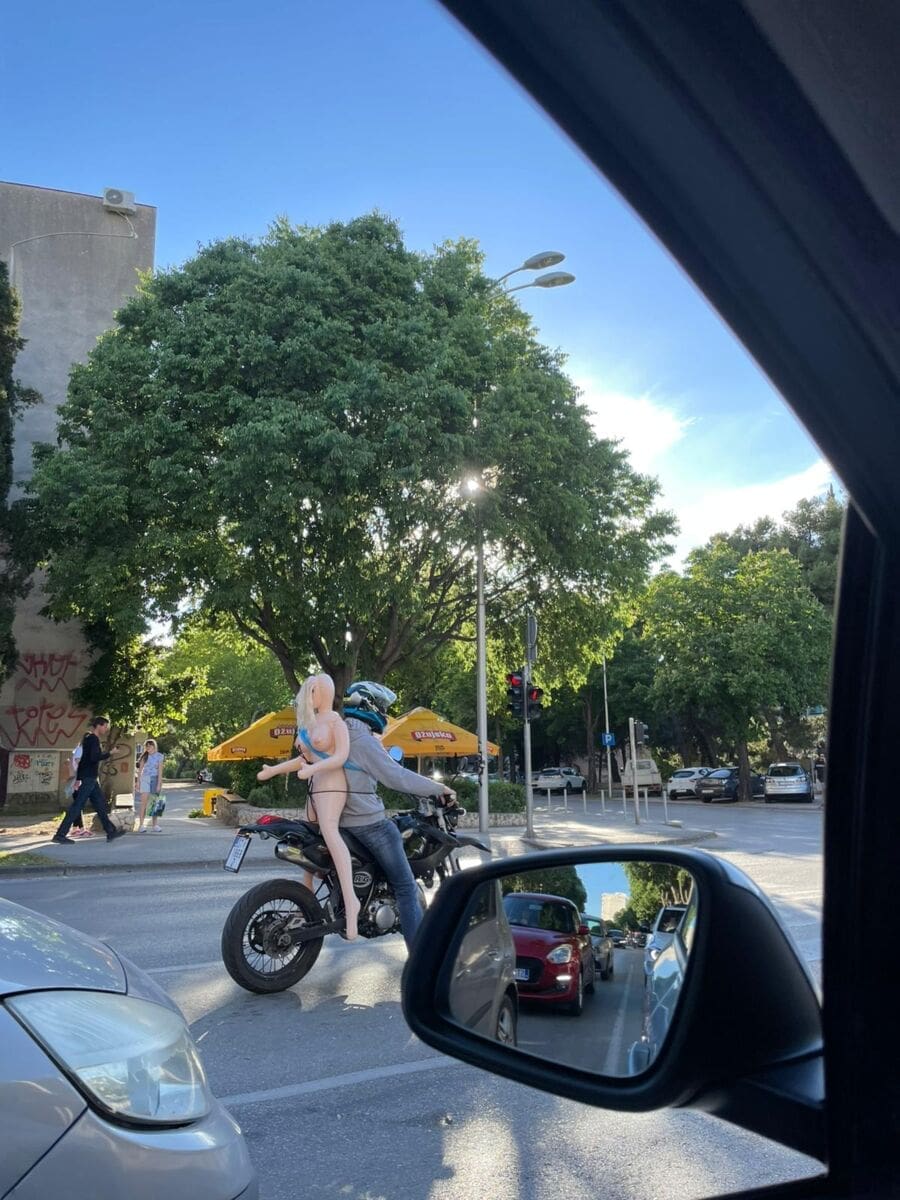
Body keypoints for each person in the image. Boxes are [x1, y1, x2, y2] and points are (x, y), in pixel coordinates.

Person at [336, 680, 456, 951]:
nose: (384, 713)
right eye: (382, 707)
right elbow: (395, 776)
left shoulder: (339, 732)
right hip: (366, 822)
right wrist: (439, 788)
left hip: (338, 820)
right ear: (369, 706)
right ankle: (420, 958)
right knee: (405, 887)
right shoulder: (362, 740)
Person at [257, 674, 361, 939]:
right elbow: (303, 759)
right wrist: (273, 770)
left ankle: (351, 902)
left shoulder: (336, 722)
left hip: (331, 786)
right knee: (310, 842)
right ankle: (306, 897)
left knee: (330, 834)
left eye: (312, 692)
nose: (308, 698)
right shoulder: (312, 722)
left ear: (323, 692)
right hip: (314, 788)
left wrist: (313, 769)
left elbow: (341, 757)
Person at [52, 716, 126, 844]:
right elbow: (94, 757)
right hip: (88, 778)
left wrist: (79, 778)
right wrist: (110, 753)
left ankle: (111, 831)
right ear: (99, 726)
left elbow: (85, 759)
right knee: (77, 805)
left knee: (100, 804)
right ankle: (60, 835)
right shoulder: (93, 739)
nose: (106, 729)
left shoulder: (88, 739)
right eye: (105, 726)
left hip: (89, 777)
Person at [135, 738, 165, 832]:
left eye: (150, 746)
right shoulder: (144, 757)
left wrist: (159, 784)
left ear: (154, 746)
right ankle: (141, 825)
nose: (148, 748)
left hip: (155, 779)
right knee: (143, 803)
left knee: (155, 803)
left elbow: (160, 772)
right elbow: (140, 771)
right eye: (146, 746)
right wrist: (138, 782)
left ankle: (155, 825)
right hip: (145, 779)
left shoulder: (160, 756)